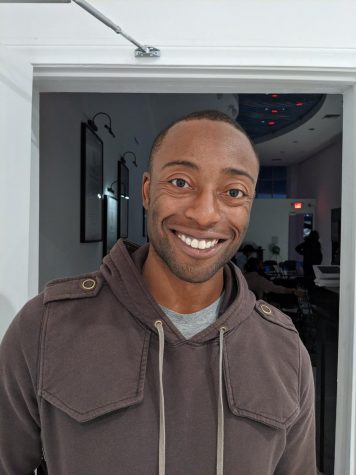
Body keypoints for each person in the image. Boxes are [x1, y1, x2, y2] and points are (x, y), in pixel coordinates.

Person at [0, 110, 317, 475]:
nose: (204, 214)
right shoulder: (45, 326)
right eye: (181, 183)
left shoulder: (284, 350)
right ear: (148, 191)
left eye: (233, 192)